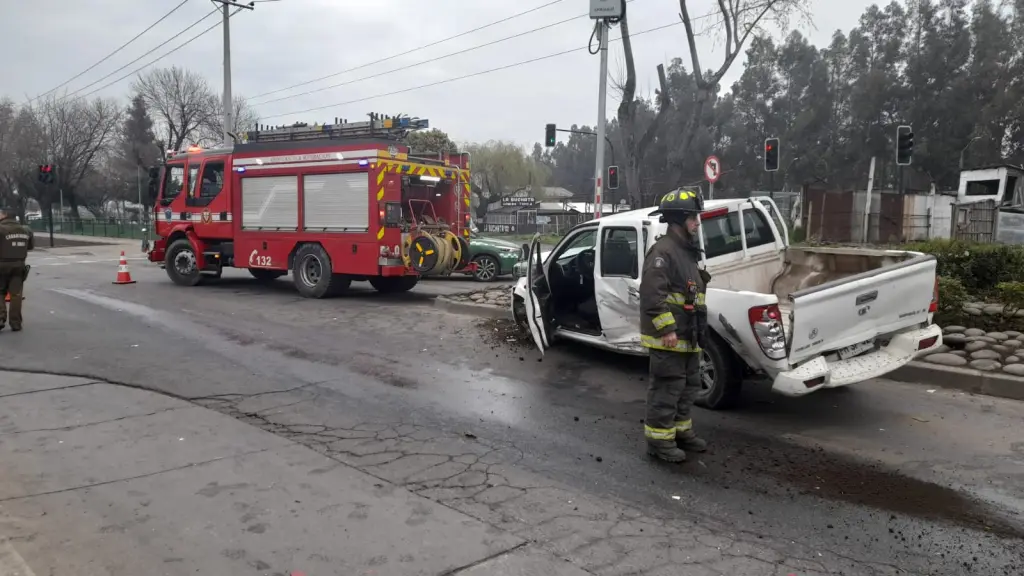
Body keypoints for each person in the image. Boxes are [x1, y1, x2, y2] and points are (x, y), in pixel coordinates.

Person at [639, 189, 711, 463]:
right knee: (667, 389)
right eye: (694, 218)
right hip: (669, 338)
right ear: (679, 220)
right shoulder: (663, 252)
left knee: (689, 386)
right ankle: (659, 442)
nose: (697, 223)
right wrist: (666, 329)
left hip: (688, 336)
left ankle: (680, 432)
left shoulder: (686, 251)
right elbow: (652, 296)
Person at [0, 206, 34, 332]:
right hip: (19, 266)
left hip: (1, 265)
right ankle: (16, 323)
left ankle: (0, 318)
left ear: (4, 215)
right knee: (16, 295)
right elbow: (30, 246)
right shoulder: (26, 230)